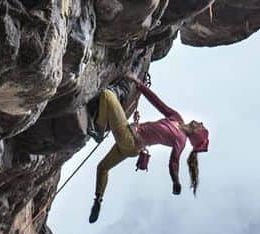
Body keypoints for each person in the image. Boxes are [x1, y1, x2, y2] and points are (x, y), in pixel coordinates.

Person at [88, 75, 209, 224]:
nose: (201, 122)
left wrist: (175, 180)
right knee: (102, 168)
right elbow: (158, 103)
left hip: (130, 138)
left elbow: (174, 161)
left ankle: (99, 130)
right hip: (130, 147)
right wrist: (139, 85)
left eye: (202, 126)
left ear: (196, 132)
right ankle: (98, 200)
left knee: (107, 95)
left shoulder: (181, 139)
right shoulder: (177, 118)